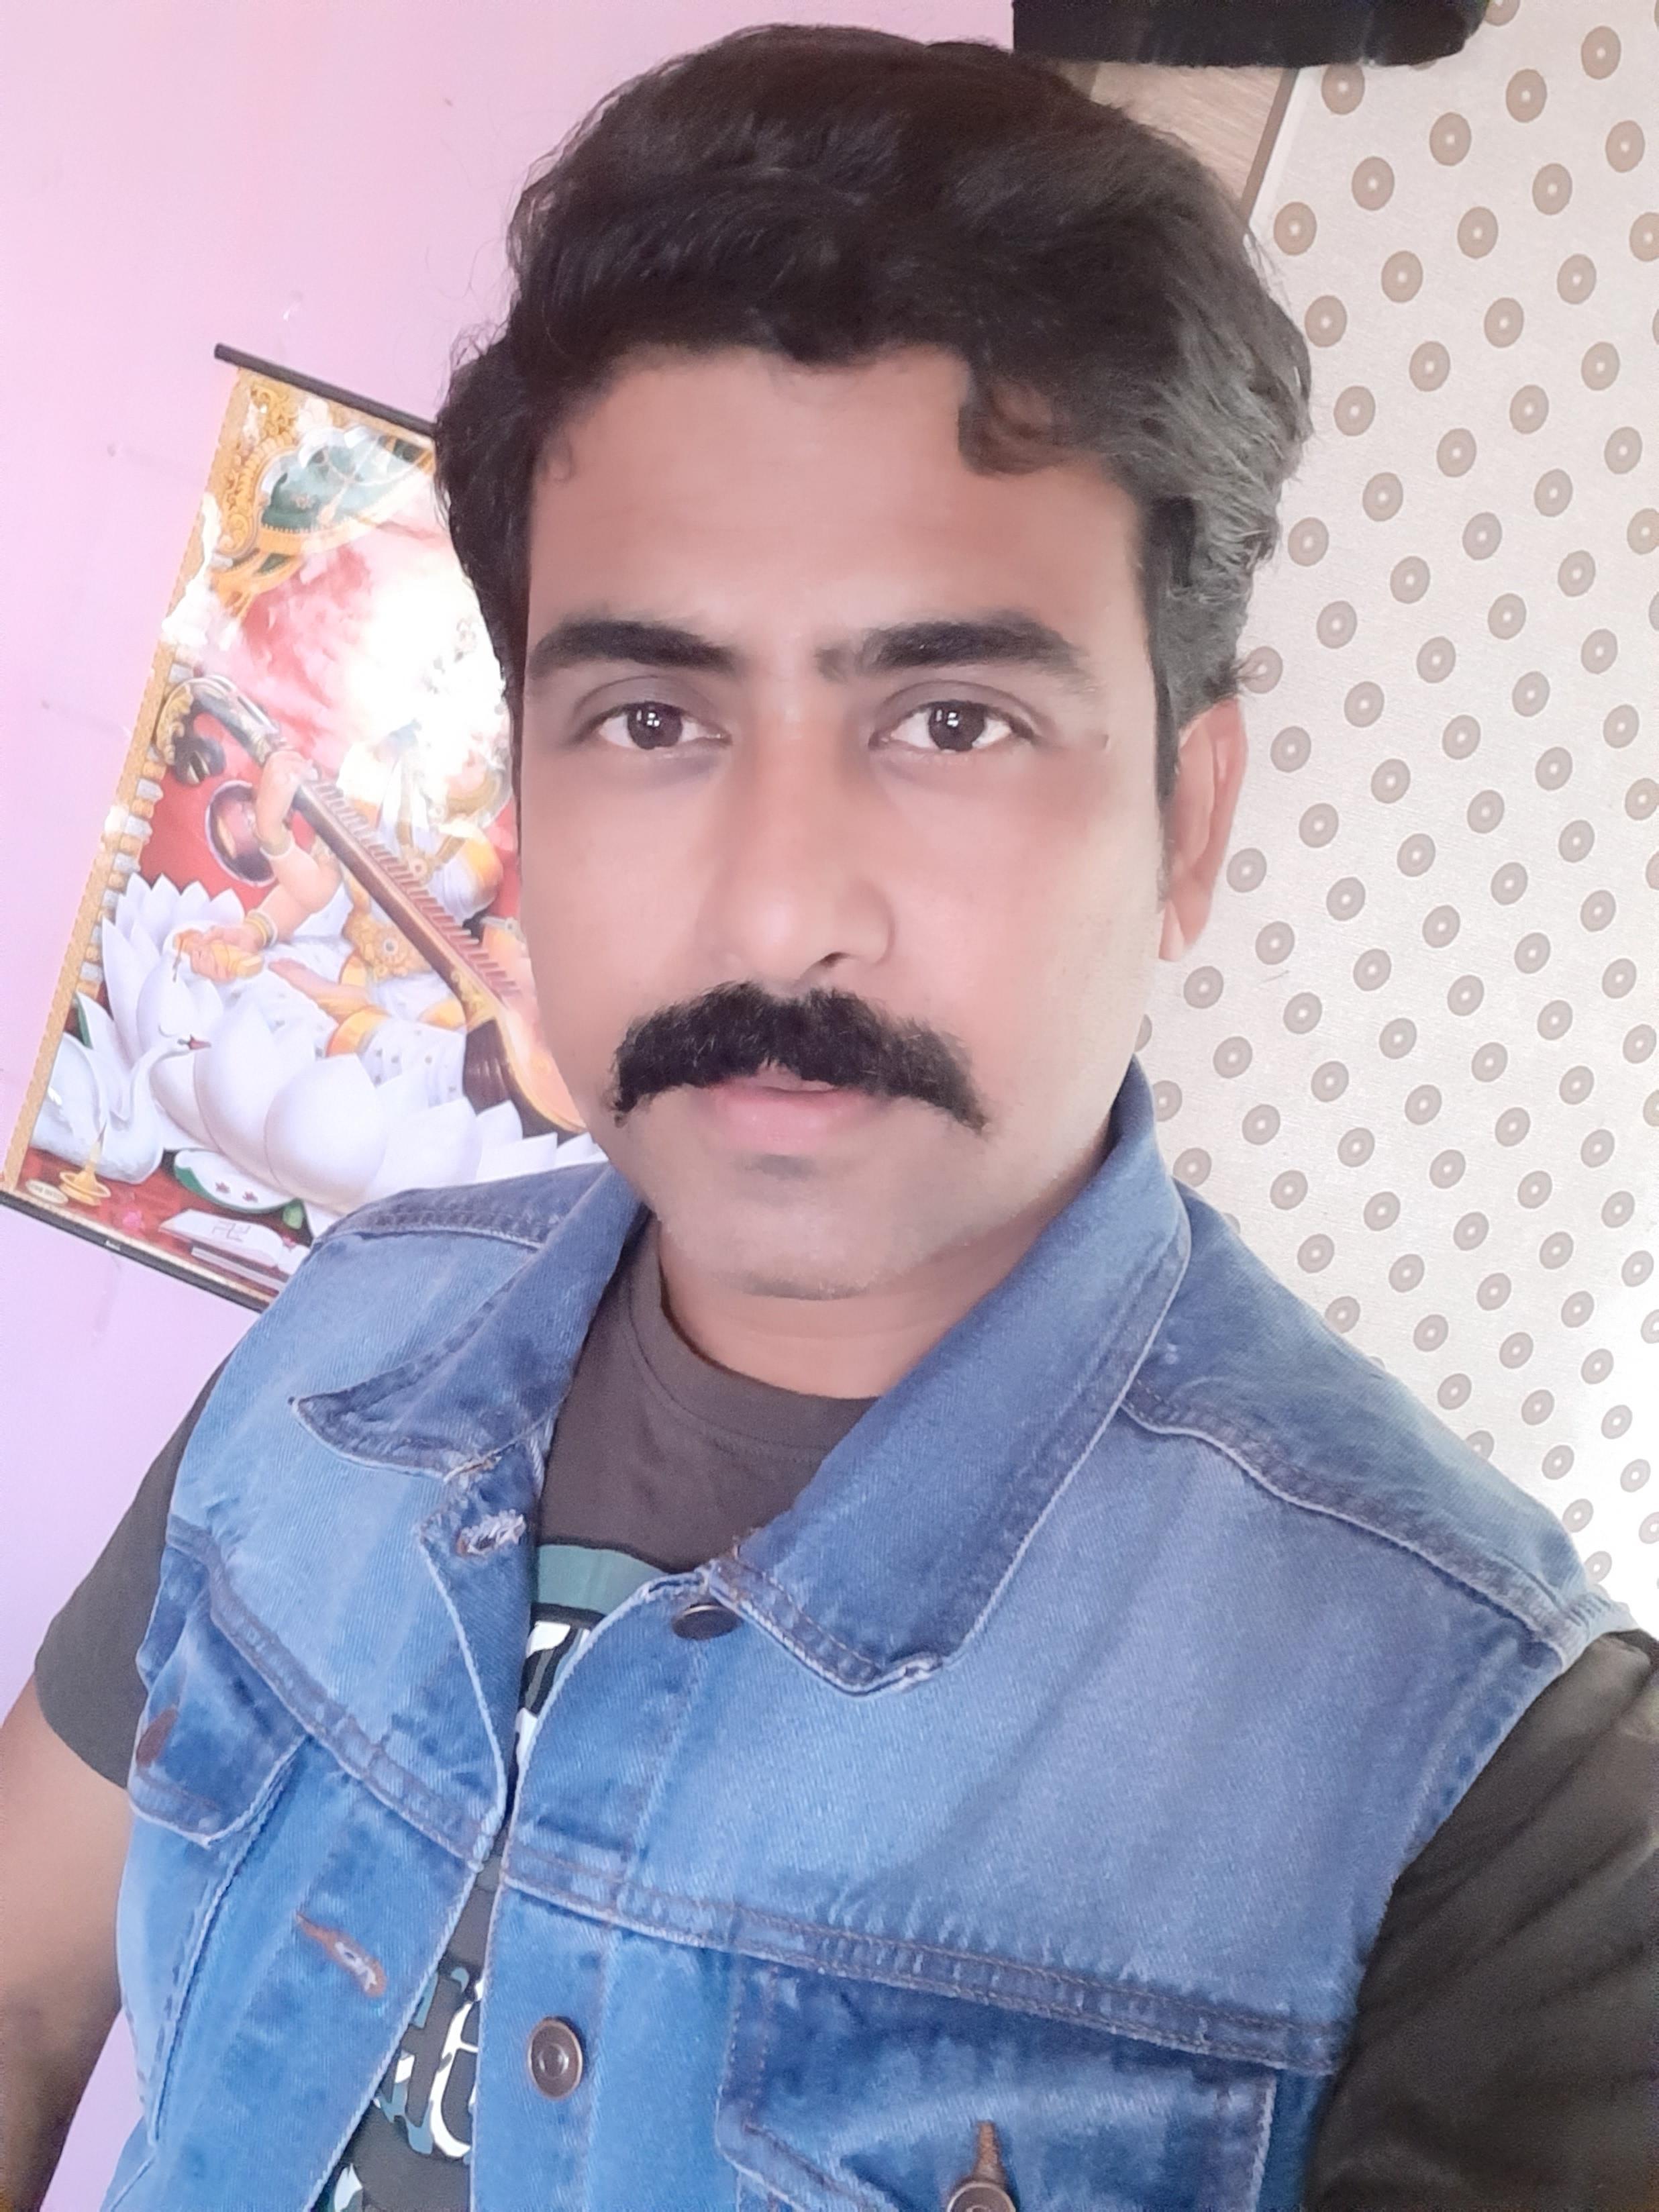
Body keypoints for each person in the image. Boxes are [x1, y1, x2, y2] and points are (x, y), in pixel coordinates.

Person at [1, 27, 1653, 2212]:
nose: (781, 907)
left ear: (1186, 820)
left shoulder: (1499, 1801)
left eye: (951, 719)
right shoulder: (334, 1358)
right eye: (650, 716)